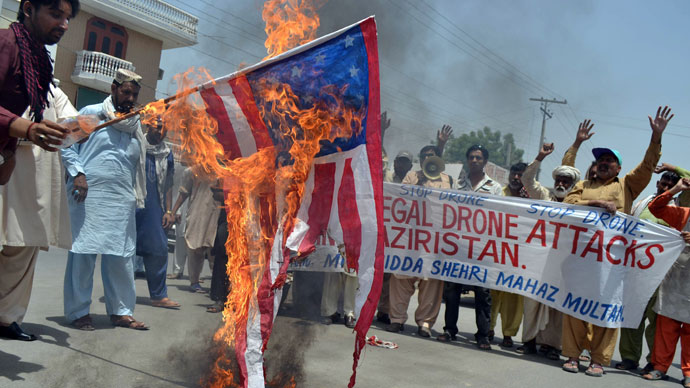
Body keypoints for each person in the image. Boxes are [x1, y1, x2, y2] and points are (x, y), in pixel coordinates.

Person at [561, 106, 671, 377]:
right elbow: (568, 204)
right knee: (575, 307)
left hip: (612, 262)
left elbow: (647, 167)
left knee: (607, 310)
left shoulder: (627, 186)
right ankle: (573, 355)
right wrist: (595, 202)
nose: (603, 163)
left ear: (619, 168)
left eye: (609, 161)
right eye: (600, 160)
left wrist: (655, 138)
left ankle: (599, 359)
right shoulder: (583, 185)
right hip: (580, 258)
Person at [61, 69, 148, 331]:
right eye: (125, 92)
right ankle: (78, 313)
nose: (130, 98)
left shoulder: (134, 121)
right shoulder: (94, 113)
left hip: (121, 197)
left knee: (121, 255)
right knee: (83, 252)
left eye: (134, 94)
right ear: (113, 88)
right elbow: (66, 141)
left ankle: (121, 312)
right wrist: (78, 174)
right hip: (88, 193)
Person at [0, 82, 75, 341]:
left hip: (36, 183)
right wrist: (28, 133)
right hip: (7, 170)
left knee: (24, 247)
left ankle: (7, 318)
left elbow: (73, 123)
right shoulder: (13, 82)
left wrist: (93, 123)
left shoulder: (54, 92)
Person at [0, 0, 79, 183]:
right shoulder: (5, 44)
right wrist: (29, 129)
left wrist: (8, 152)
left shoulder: (36, 60)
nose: (64, 26)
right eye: (56, 15)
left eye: (67, 19)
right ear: (28, 9)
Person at [517, 142, 581, 359]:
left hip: (565, 264)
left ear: (574, 184)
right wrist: (540, 157)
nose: (562, 183)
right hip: (539, 261)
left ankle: (552, 346)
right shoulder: (544, 196)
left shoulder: (580, 206)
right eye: (559, 180)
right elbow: (526, 181)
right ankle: (529, 341)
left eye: (566, 181)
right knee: (532, 302)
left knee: (557, 307)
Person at [615, 169, 681, 373]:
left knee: (656, 321)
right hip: (636, 269)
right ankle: (629, 357)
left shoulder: (678, 208)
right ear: (658, 183)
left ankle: (654, 361)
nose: (665, 187)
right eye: (663, 183)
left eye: (671, 185)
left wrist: (672, 167)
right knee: (631, 316)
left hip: (663, 274)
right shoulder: (642, 203)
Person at [437, 144, 501, 349]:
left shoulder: (495, 187)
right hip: (458, 246)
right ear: (467, 160)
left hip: (482, 247)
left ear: (485, 162)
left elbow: (500, 216)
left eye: (478, 158)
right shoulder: (458, 185)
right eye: (471, 157)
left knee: (482, 292)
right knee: (452, 289)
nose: (474, 160)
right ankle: (449, 329)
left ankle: (483, 335)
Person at [386, 145, 450, 338]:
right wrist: (419, 185)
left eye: (431, 156)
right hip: (409, 238)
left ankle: (425, 323)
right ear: (420, 160)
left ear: (437, 158)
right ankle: (397, 319)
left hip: (432, 239)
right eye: (424, 156)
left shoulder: (447, 180)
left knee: (431, 281)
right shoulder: (411, 177)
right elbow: (402, 200)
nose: (427, 158)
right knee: (400, 279)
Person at [642, 177, 690, 387]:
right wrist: (676, 189)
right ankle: (660, 367)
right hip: (674, 282)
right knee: (666, 328)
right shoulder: (683, 214)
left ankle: (689, 373)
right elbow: (656, 207)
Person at [134, 119, 180, 309]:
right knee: (125, 251)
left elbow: (168, 183)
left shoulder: (167, 154)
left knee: (159, 249)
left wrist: (169, 211)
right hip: (132, 203)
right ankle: (120, 297)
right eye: (157, 126)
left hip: (154, 205)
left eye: (164, 128)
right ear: (147, 126)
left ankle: (158, 296)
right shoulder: (136, 144)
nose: (160, 130)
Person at [489, 162, 528, 348]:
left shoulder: (533, 198)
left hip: (519, 255)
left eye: (521, 175)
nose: (516, 178)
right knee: (491, 293)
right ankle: (487, 328)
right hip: (496, 251)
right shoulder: (498, 193)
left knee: (513, 297)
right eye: (514, 174)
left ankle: (508, 334)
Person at [165, 164, 219, 293]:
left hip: (216, 214)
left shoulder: (224, 170)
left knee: (215, 251)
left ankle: (217, 286)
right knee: (195, 249)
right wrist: (173, 211)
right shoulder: (193, 171)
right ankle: (194, 282)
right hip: (197, 213)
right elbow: (184, 192)